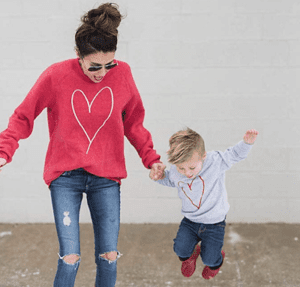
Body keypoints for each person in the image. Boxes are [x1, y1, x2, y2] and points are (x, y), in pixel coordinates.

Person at [0, 3, 165, 287]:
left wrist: (151, 158)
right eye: (95, 66)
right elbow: (24, 115)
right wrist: (5, 150)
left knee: (109, 255)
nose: (102, 73)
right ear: (78, 55)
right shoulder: (56, 75)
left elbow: (134, 122)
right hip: (66, 177)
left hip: (106, 178)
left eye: (109, 64)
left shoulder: (123, 74)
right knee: (70, 257)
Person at [150, 127, 258, 280]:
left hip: (214, 223)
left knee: (209, 259)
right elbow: (171, 180)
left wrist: (246, 143)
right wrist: (159, 177)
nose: (187, 173)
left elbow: (234, 155)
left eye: (192, 167)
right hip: (190, 221)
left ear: (203, 156)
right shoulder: (176, 170)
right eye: (182, 168)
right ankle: (191, 255)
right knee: (180, 249)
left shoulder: (215, 161)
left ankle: (216, 262)